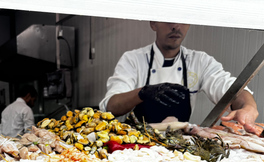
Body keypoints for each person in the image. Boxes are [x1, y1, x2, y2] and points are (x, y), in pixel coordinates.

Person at [100, 22, 259, 134]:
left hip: (178, 144)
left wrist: (248, 107)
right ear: (153, 23)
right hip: (136, 143)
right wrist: (143, 92)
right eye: (168, 19)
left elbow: (230, 89)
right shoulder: (133, 60)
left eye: (182, 20)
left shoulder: (200, 61)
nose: (175, 26)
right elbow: (111, 107)